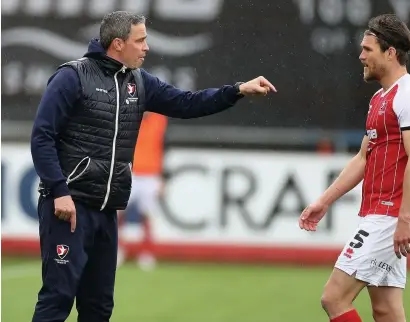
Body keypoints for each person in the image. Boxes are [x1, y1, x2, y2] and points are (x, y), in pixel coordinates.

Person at [29, 10, 276, 322]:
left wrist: (237, 90)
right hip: (70, 209)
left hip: (106, 212)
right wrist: (59, 191)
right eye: (141, 40)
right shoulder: (71, 77)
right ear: (118, 44)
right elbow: (42, 136)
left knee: (98, 307)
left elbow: (188, 103)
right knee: (57, 299)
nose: (147, 47)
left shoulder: (139, 83)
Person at [299, 14, 410, 322]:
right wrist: (324, 201)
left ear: (390, 52)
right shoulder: (379, 99)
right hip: (380, 212)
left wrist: (403, 219)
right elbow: (363, 158)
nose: (361, 56)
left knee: (334, 297)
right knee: (386, 310)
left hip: (390, 216)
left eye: (368, 49)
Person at [116, 111, 168, 270]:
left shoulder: (161, 119)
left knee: (148, 215)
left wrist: (163, 177)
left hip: (151, 174)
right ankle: (116, 250)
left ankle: (147, 253)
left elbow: (165, 147)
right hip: (129, 171)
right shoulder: (127, 114)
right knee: (117, 212)